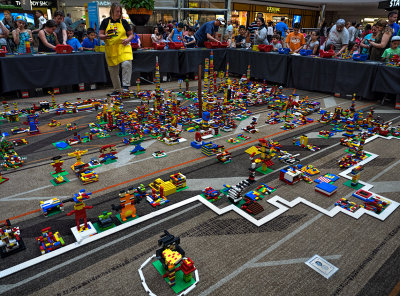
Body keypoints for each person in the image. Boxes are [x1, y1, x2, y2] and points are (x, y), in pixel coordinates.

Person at [99, 2, 133, 95]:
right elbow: (100, 35)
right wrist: (104, 36)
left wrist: (127, 39)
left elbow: (131, 35)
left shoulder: (124, 22)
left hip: (123, 47)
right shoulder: (105, 22)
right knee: (113, 70)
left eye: (120, 11)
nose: (119, 13)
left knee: (126, 64)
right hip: (111, 49)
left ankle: (126, 87)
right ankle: (117, 89)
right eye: (117, 11)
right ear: (112, 11)